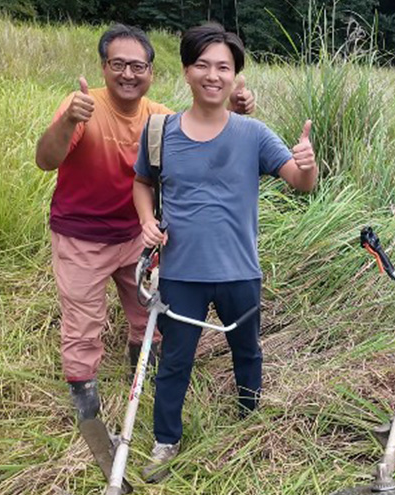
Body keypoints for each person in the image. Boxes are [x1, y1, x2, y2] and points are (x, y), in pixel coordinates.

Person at [34, 23, 255, 425]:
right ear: (104, 67)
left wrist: (235, 111)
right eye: (118, 64)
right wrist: (68, 121)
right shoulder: (83, 106)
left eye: (138, 66)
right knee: (83, 321)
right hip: (81, 236)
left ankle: (144, 373)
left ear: (152, 71)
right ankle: (85, 403)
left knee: (149, 315)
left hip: (139, 236)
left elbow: (205, 133)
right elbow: (46, 160)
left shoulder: (159, 120)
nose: (128, 74)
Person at [132, 22, 317, 482]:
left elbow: (300, 183)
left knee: (247, 352)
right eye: (202, 65)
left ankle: (249, 424)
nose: (212, 76)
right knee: (175, 360)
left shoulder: (253, 133)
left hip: (240, 271)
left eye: (223, 67)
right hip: (181, 272)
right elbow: (142, 183)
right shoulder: (160, 132)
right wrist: (147, 221)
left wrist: (308, 164)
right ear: (186, 71)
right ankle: (166, 441)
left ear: (235, 76)